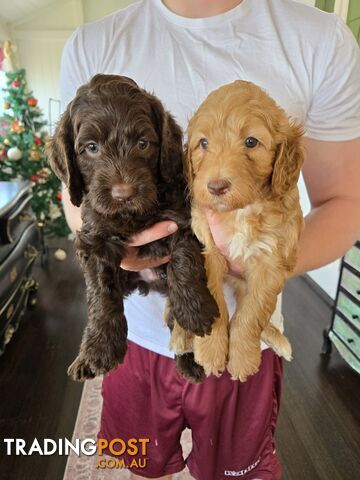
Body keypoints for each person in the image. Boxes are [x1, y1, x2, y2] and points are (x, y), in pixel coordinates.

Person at [59, 1, 360, 479]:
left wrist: (256, 265)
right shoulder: (92, 42)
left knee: (232, 469)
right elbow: (75, 193)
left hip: (246, 332)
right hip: (138, 335)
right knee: (139, 466)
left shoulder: (319, 39)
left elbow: (345, 201)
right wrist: (120, 250)